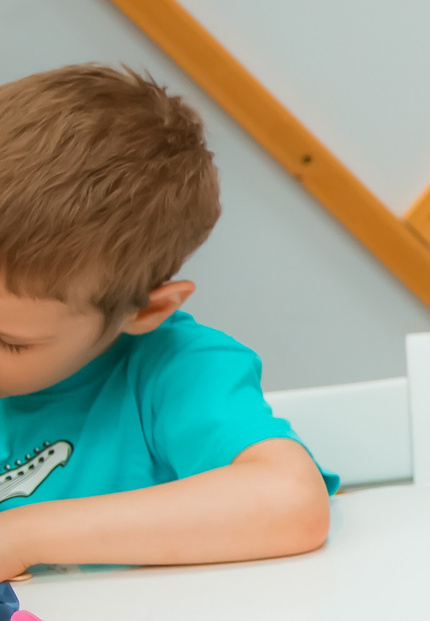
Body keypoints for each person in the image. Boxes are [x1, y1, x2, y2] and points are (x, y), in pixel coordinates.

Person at [0, 64, 334, 580]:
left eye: (9, 343)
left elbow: (291, 502)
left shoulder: (174, 371)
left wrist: (21, 535)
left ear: (146, 311)